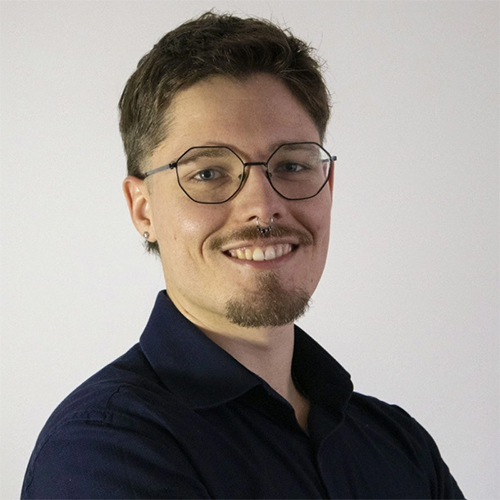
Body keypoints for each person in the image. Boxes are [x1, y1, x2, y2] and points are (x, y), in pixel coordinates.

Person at [22, 11, 464, 499]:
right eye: (208, 173)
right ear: (143, 208)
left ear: (328, 185)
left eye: (291, 165)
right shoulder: (104, 451)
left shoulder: (398, 444)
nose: (263, 206)